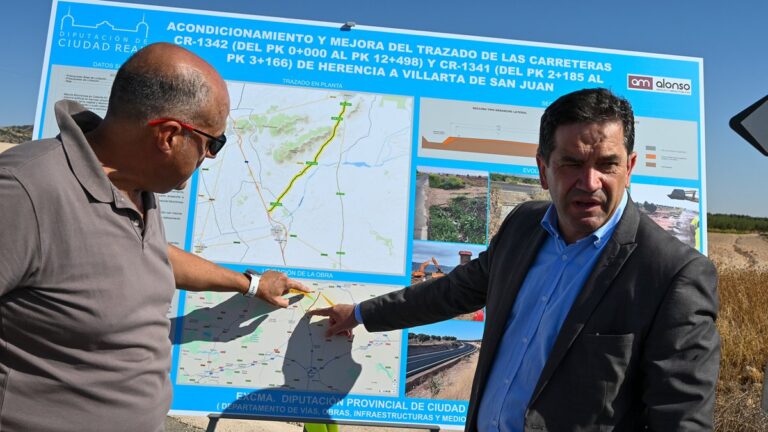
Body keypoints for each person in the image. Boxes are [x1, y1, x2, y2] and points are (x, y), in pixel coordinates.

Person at [310, 88, 720, 431]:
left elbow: (681, 419)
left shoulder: (673, 275)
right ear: (543, 170)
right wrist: (362, 314)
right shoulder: (524, 226)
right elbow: (454, 290)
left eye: (607, 165)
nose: (590, 182)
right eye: (572, 163)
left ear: (629, 168)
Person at [0, 43, 308, 432]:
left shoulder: (138, 185)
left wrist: (250, 284)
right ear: (169, 136)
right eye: (213, 142)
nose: (210, 157)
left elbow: (144, 255)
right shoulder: (22, 192)